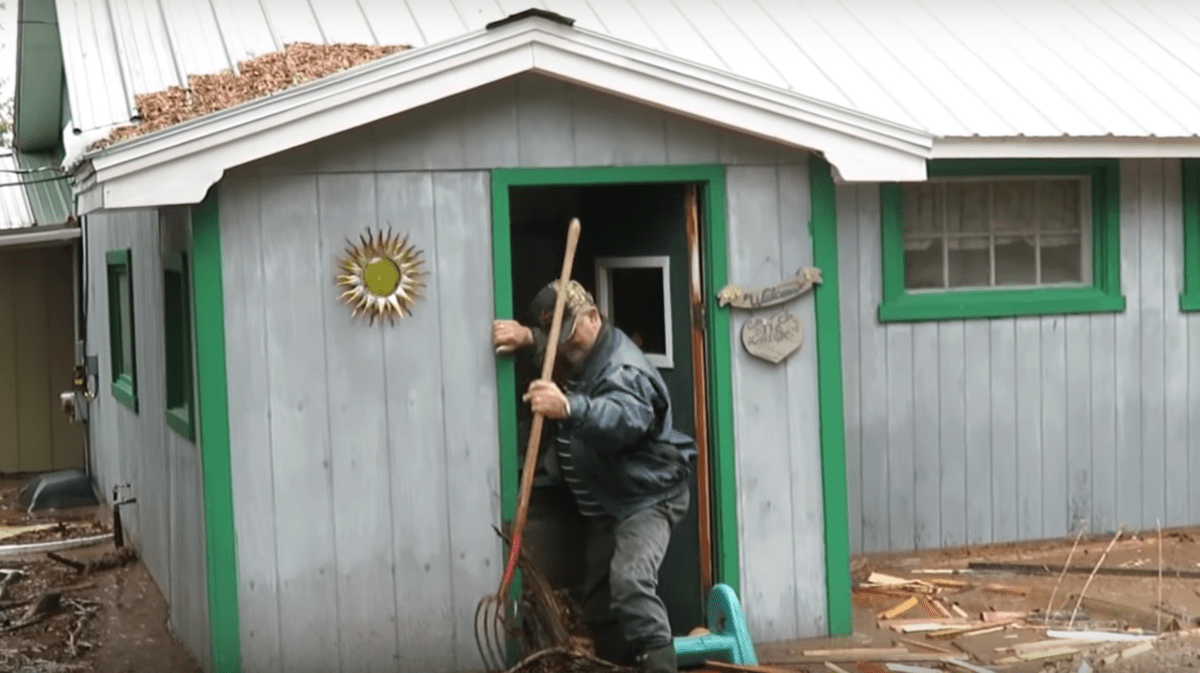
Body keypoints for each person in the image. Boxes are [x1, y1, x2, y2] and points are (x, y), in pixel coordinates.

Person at [492, 279, 697, 673]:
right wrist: (528, 337)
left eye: (569, 335)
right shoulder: (580, 347)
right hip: (609, 499)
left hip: (646, 499)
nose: (567, 345)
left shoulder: (624, 368)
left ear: (592, 316)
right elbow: (555, 341)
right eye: (557, 336)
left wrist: (568, 407)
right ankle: (615, 664)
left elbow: (627, 419)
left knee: (631, 584)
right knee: (600, 602)